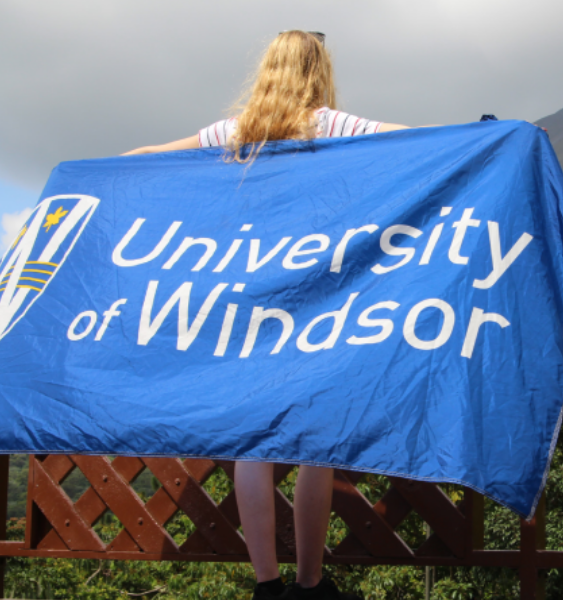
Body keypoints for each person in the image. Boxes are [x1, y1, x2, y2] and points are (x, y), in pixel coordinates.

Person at [124, 30, 416, 600]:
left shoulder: (234, 134)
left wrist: (100, 168)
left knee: (251, 444)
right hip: (315, 298)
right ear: (317, 71)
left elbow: (149, 159)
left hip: (247, 298)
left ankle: (266, 584)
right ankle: (310, 584)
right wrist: (496, 134)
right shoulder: (331, 124)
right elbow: (419, 140)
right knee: (315, 442)